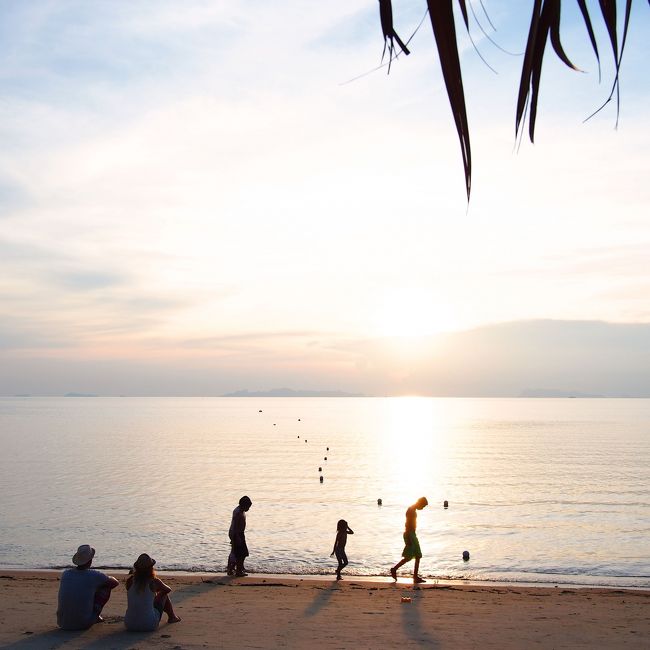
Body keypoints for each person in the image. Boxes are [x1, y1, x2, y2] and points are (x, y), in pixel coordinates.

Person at [57, 544, 119, 630]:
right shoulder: (93, 575)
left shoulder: (66, 574)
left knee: (84, 589)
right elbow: (115, 583)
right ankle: (94, 616)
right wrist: (99, 586)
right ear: (90, 561)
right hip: (83, 623)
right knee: (105, 588)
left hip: (62, 622)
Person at [124, 553, 181, 631]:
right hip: (148, 624)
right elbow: (168, 589)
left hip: (129, 624)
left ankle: (172, 617)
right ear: (151, 568)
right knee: (164, 594)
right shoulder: (153, 581)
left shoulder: (130, 581)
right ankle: (172, 617)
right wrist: (157, 595)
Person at [390, 497, 428, 584]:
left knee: (417, 555)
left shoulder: (413, 510)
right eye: (423, 506)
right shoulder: (411, 510)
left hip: (412, 534)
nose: (422, 508)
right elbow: (407, 524)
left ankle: (414, 576)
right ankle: (395, 569)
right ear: (420, 503)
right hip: (409, 534)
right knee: (409, 556)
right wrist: (408, 537)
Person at [228, 495, 252, 577]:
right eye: (248, 507)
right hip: (237, 533)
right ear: (243, 505)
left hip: (237, 533)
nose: (248, 509)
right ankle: (238, 570)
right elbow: (235, 526)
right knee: (241, 553)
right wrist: (237, 537)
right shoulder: (238, 512)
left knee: (235, 552)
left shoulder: (240, 510)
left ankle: (232, 569)